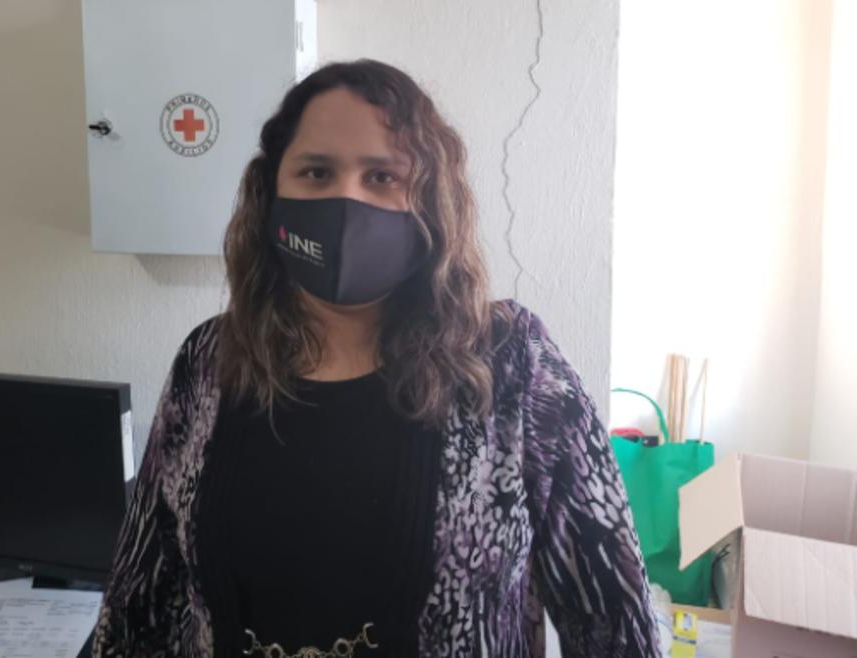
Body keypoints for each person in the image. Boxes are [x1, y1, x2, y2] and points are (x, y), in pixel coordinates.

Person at [90, 59, 660, 658]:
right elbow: (138, 608)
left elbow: (613, 620)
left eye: (382, 176)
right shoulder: (209, 361)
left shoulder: (512, 362)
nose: (346, 200)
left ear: (431, 200)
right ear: (272, 192)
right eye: (316, 172)